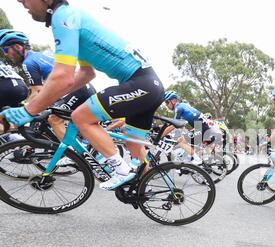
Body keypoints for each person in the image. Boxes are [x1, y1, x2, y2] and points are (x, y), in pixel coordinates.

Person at [2, 0, 165, 191]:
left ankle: (121, 171)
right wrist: (49, 100)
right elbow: (86, 74)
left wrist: (29, 109)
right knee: (133, 144)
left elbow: (63, 77)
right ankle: (144, 190)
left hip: (140, 83)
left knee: (80, 117)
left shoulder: (62, 17)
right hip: (150, 84)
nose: (21, 3)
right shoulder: (71, 16)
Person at [0, 28, 96, 141]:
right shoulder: (39, 56)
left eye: (6, 50)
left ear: (17, 47)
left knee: (54, 120)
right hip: (83, 87)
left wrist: (24, 109)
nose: (6, 55)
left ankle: (72, 155)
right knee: (72, 122)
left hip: (77, 90)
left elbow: (37, 91)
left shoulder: (28, 63)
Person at [162, 91, 221, 165]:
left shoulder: (178, 108)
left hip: (202, 128)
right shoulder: (183, 105)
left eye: (167, 102)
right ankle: (222, 160)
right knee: (203, 146)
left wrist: (161, 135)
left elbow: (173, 125)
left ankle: (197, 160)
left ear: (173, 101)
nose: (166, 105)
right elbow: (182, 123)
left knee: (181, 141)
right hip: (203, 127)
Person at [0, 58, 29, 132]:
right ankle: (16, 135)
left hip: (6, 89)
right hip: (22, 88)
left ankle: (7, 134)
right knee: (10, 118)